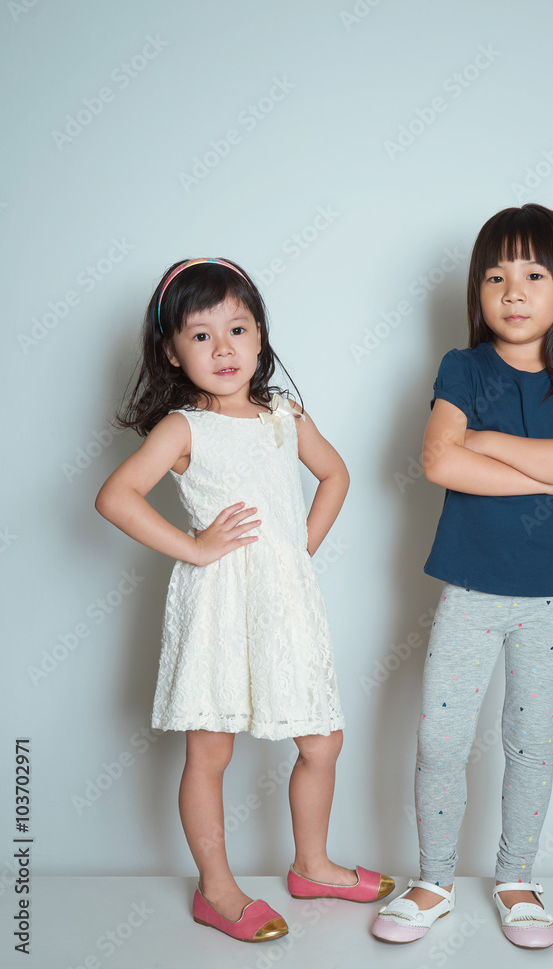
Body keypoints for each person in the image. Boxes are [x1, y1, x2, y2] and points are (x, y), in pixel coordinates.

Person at [95, 257, 394, 944]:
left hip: (285, 605)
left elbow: (336, 474)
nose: (223, 348)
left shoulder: (284, 413)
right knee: (212, 750)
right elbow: (115, 497)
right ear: (171, 350)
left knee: (323, 740)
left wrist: (299, 549)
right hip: (219, 609)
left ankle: (313, 865)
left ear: (261, 337)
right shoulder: (183, 428)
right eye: (201, 336)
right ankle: (217, 889)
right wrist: (196, 547)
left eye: (237, 328)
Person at [372, 204, 553, 949]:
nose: (513, 291)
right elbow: (441, 462)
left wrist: (488, 443)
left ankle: (517, 879)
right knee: (443, 739)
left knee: (529, 739)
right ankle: (434, 880)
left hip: (551, 596)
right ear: (478, 292)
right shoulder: (463, 367)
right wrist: (541, 473)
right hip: (471, 590)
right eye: (496, 275)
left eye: (534, 274)